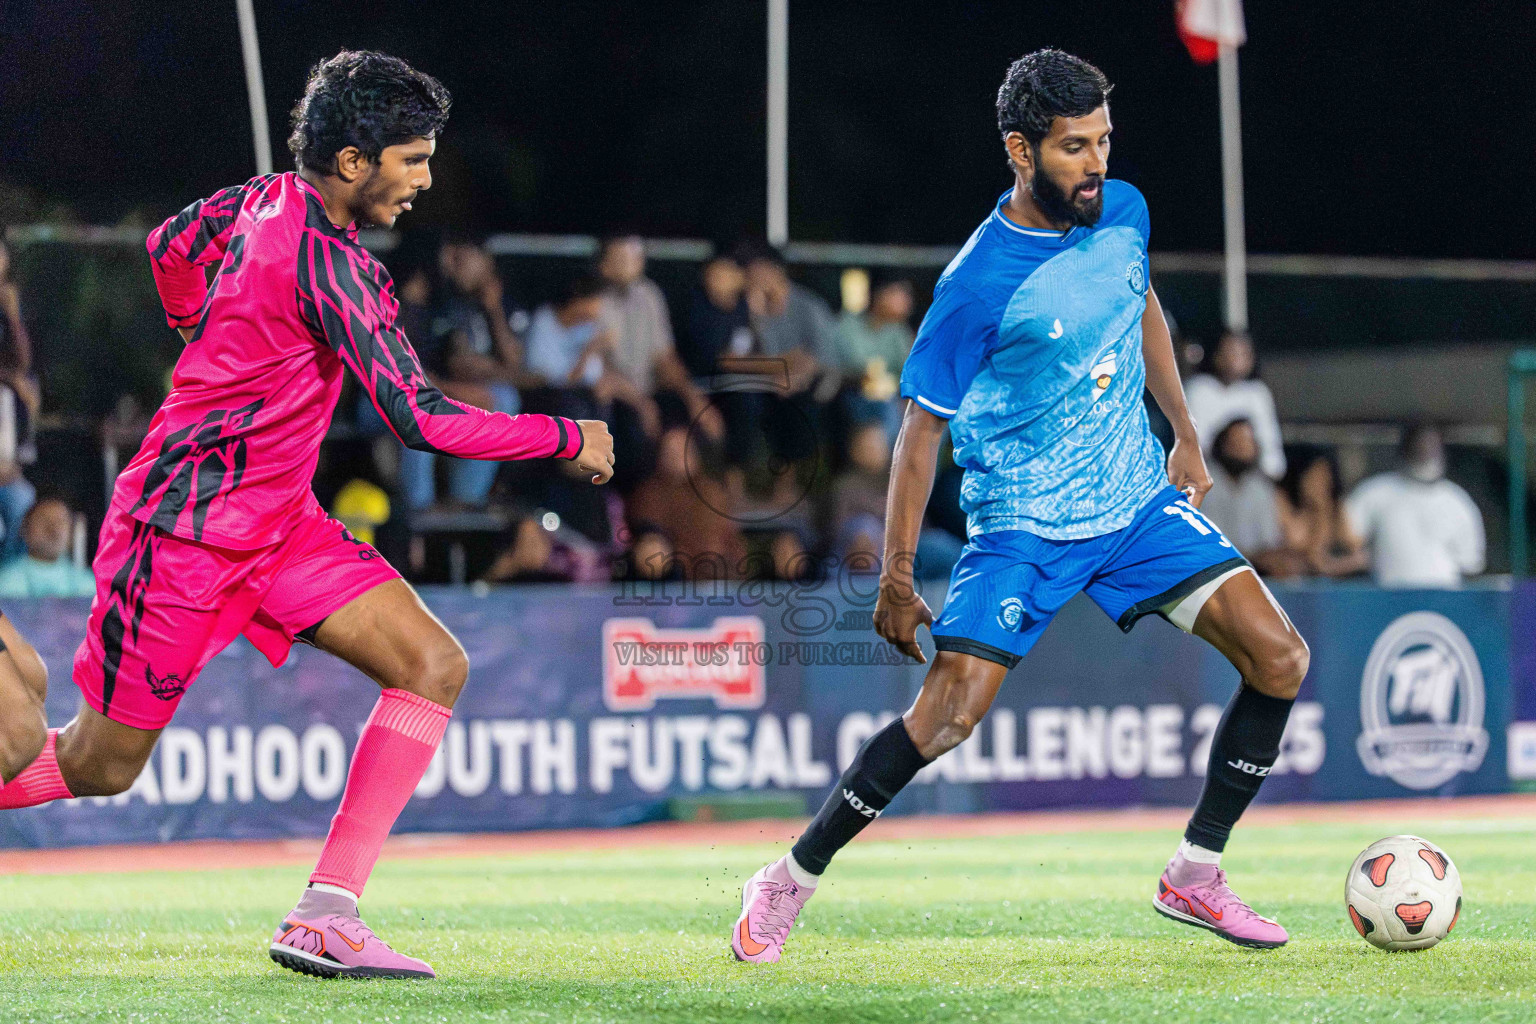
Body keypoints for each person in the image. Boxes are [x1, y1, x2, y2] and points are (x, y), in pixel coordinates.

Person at [0, 51, 614, 980]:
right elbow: (421, 419)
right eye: (413, 159)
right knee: (97, 764)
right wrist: (565, 439)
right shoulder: (335, 269)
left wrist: (199, 328)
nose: (426, 181)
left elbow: (168, 247)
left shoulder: (257, 198)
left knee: (432, 663)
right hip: (181, 540)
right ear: (357, 162)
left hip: (280, 527)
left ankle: (326, 914)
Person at [730, 50, 1309, 963]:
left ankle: (1195, 874)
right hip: (1024, 524)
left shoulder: (1124, 211)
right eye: (1075, 147)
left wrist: (1185, 432)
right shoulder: (976, 285)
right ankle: (787, 880)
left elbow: (1142, 303)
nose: (1097, 164)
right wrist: (893, 577)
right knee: (946, 719)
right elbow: (919, 436)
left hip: (1131, 505)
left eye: (1105, 141)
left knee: (1280, 658)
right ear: (1020, 150)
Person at [1345, 423, 1484, 588]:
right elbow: (1347, 539)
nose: (1426, 450)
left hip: (1443, 601)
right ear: (1405, 447)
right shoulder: (1375, 492)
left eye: (1431, 444)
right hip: (1387, 600)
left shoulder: (1457, 501)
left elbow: (1471, 564)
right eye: (1419, 443)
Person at [1199, 418, 1297, 577]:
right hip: (1212, 569)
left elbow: (1268, 541)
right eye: (1235, 442)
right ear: (1222, 445)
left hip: (1256, 567)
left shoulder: (1260, 486)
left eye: (1246, 443)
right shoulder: (1204, 483)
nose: (1241, 448)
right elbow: (1209, 545)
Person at [1184, 330, 1286, 479]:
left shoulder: (1258, 393)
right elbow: (1194, 445)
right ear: (1216, 354)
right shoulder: (1198, 389)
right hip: (1209, 477)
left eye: (1243, 353)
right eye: (1231, 352)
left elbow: (1271, 450)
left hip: (1252, 478)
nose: (1236, 359)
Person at [1277, 448, 1367, 578]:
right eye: (1314, 476)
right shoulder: (1284, 501)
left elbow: (1354, 545)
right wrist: (1319, 514)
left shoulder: (1336, 506)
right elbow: (1302, 548)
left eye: (1325, 476)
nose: (1320, 483)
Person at [0, 497, 95, 598]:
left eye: (60, 521)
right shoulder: (6, 581)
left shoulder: (88, 584)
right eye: (43, 520)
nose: (53, 529)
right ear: (24, 530)